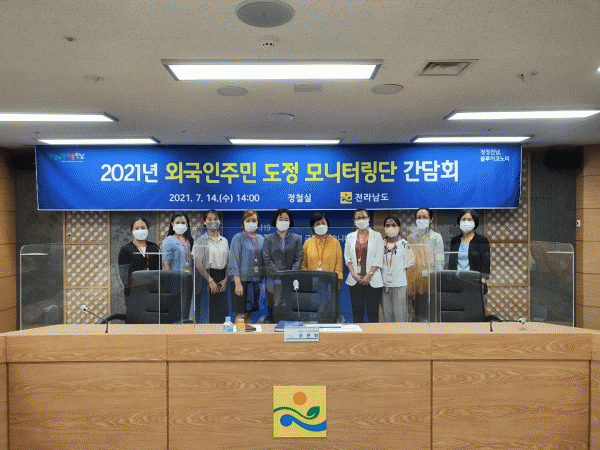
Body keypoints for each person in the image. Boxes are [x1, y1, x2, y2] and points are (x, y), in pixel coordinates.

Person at [261, 208, 303, 321]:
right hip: (273, 281)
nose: (283, 221)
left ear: (290, 222)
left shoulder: (296, 239)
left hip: (290, 281)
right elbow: (267, 259)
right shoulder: (268, 239)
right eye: (280, 219)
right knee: (274, 312)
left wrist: (289, 274)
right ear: (275, 220)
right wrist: (279, 274)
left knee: (289, 311)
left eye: (286, 219)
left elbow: (299, 258)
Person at [344, 208, 384, 323]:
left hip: (372, 280)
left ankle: (373, 335)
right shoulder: (350, 236)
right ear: (354, 221)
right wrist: (354, 274)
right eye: (358, 218)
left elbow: (378, 258)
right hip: (355, 280)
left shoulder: (377, 236)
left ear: (369, 219)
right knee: (357, 314)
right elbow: (347, 258)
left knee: (373, 314)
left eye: (364, 217)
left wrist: (369, 275)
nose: (361, 220)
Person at [406, 207, 444, 321]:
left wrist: (435, 278)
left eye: (425, 217)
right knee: (418, 314)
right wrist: (409, 284)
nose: (421, 220)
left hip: (431, 282)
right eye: (419, 217)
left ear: (431, 219)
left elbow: (440, 260)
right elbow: (409, 262)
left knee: (431, 315)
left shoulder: (436, 237)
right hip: (416, 282)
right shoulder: (411, 238)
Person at [192, 210, 229, 323]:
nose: (213, 221)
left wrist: (226, 279)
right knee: (208, 313)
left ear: (219, 221)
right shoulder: (200, 240)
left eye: (215, 219)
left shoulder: (224, 240)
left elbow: (228, 261)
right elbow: (198, 263)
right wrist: (210, 280)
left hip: (222, 278)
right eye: (209, 219)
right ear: (204, 222)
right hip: (206, 277)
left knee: (222, 313)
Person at [228, 210, 264, 324]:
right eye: (248, 220)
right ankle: (237, 335)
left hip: (255, 282)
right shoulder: (237, 238)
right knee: (241, 313)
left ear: (258, 223)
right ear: (243, 223)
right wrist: (238, 283)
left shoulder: (261, 239)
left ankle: (247, 335)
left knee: (249, 313)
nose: (251, 223)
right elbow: (233, 261)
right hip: (241, 282)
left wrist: (262, 282)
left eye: (254, 220)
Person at [448, 209, 491, 302]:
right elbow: (451, 262)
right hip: (457, 283)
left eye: (469, 219)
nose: (466, 222)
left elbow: (485, 263)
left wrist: (482, 282)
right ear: (459, 222)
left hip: (475, 283)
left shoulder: (481, 240)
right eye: (463, 219)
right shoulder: (455, 240)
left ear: (475, 222)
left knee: (474, 309)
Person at [381, 215, 415, 322]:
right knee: (387, 317)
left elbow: (410, 265)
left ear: (399, 228)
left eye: (393, 225)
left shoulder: (404, 244)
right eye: (387, 225)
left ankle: (401, 333)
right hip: (384, 285)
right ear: (384, 228)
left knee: (400, 316)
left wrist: (410, 286)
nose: (390, 228)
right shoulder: (381, 244)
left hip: (400, 285)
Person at [117, 217, 161, 301]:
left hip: (153, 290)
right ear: (132, 230)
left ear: (148, 229)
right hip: (134, 291)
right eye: (137, 228)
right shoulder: (126, 249)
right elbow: (123, 274)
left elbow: (159, 269)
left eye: (143, 228)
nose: (140, 230)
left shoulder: (154, 247)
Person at [301, 212, 343, 283]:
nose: (321, 226)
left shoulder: (335, 242)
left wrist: (337, 281)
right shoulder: (307, 243)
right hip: (311, 281)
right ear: (313, 226)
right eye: (317, 224)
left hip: (330, 281)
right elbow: (303, 264)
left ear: (327, 225)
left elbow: (339, 264)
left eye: (323, 223)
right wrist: (306, 279)